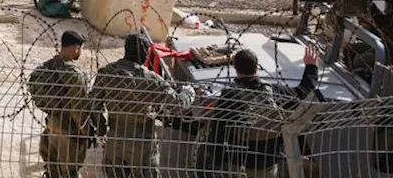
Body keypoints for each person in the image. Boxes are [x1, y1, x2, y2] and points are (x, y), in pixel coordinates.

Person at [201, 46, 320, 178]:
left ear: (235, 68)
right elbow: (303, 92)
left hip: (239, 161)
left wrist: (216, 161)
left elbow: (218, 129)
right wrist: (311, 66)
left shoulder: (229, 95)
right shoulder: (272, 91)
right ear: (256, 67)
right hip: (267, 160)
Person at [91, 33, 196, 177]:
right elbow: (176, 105)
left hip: (116, 139)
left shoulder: (107, 73)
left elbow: (93, 105)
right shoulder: (150, 79)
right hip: (142, 143)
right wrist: (188, 93)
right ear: (145, 53)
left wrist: (102, 130)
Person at [28, 30, 99, 177]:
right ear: (76, 48)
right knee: (70, 172)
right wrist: (85, 133)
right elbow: (78, 108)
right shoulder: (75, 74)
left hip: (51, 127)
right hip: (69, 130)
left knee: (52, 170)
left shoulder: (46, 67)